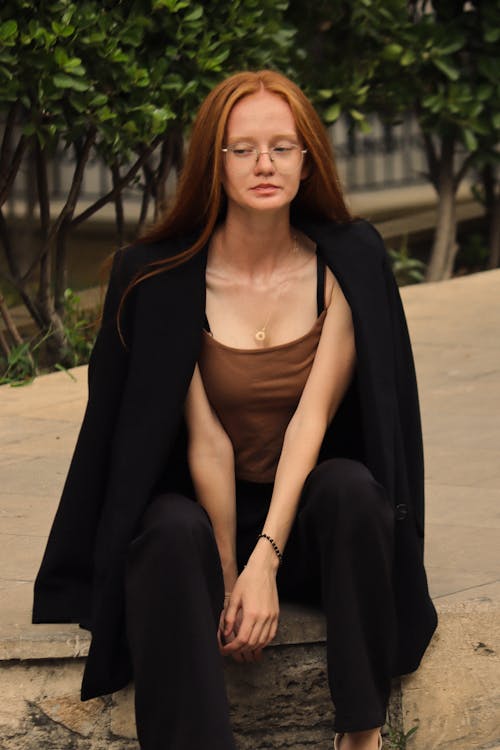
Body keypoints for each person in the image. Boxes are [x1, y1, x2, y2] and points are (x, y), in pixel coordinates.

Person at [32, 70, 438, 750]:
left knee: (355, 494)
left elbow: (312, 422)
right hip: (203, 516)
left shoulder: (346, 263)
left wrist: (266, 562)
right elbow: (208, 441)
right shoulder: (165, 278)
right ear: (212, 163)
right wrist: (228, 573)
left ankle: (362, 735)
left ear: (308, 161)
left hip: (302, 520)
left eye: (283, 146)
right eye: (242, 148)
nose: (264, 165)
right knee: (164, 531)